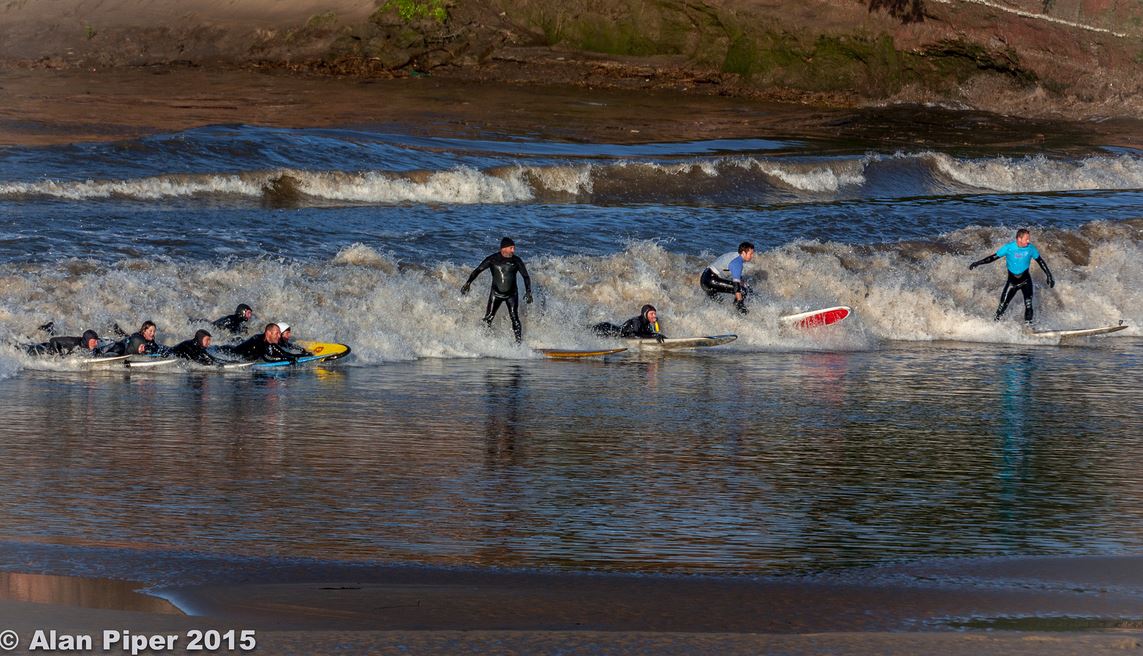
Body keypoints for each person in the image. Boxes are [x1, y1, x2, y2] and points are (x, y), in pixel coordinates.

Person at [969, 228, 1055, 323]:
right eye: (1026, 239)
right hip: (1012, 283)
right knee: (1002, 306)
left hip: (1026, 281)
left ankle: (1029, 327)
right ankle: (995, 324)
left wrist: (1049, 275)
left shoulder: (1031, 248)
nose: (1028, 241)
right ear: (1019, 239)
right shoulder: (1008, 248)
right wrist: (978, 263)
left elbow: (1040, 261)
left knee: (1029, 304)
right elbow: (992, 258)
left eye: (1028, 239)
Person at [461, 237, 533, 343]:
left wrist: (528, 291)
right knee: (488, 318)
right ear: (504, 248)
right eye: (511, 248)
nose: (513, 250)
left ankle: (518, 343)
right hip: (496, 294)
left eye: (513, 248)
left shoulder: (516, 260)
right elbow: (478, 270)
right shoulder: (492, 259)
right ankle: (482, 340)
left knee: (514, 317)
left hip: (511, 295)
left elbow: (526, 276)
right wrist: (468, 283)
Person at [701, 241, 756, 314]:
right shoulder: (737, 262)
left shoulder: (736, 256)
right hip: (711, 280)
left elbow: (735, 275)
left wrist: (744, 283)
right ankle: (738, 313)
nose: (752, 256)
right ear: (743, 253)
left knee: (719, 304)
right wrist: (740, 302)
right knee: (743, 291)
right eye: (751, 254)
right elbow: (736, 285)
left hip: (705, 279)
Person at [226, 322, 298, 363]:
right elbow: (268, 358)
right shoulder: (257, 342)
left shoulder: (271, 342)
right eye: (277, 333)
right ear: (268, 333)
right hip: (229, 352)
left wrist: (300, 356)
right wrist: (289, 359)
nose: (279, 336)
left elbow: (282, 353)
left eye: (280, 333)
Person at [592, 304, 666, 342]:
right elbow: (636, 334)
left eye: (655, 314)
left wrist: (659, 336)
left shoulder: (648, 324)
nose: (654, 316)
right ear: (645, 314)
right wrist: (654, 336)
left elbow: (648, 334)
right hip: (605, 329)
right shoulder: (637, 321)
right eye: (652, 314)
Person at [26, 329, 101, 356]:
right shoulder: (73, 342)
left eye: (96, 341)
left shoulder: (85, 346)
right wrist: (59, 356)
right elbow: (53, 340)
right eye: (94, 341)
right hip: (41, 350)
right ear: (87, 340)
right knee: (23, 349)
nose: (96, 344)